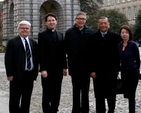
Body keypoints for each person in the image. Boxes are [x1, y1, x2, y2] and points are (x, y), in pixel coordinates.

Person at [87, 16, 120, 113]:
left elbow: (117, 55)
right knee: (99, 95)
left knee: (111, 94)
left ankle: (111, 110)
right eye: (101, 23)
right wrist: (92, 70)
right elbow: (89, 55)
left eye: (105, 23)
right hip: (97, 71)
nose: (103, 25)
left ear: (108, 24)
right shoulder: (92, 38)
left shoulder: (115, 37)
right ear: (98, 25)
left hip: (111, 71)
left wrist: (117, 69)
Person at [4, 20, 38, 113]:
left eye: (27, 28)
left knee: (27, 98)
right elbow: (8, 59)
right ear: (18, 29)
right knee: (15, 98)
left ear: (29, 30)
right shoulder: (12, 42)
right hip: (16, 75)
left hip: (29, 75)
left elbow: (35, 58)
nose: (25, 30)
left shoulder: (33, 42)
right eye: (23, 28)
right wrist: (9, 74)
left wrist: (35, 73)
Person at [64, 12, 94, 113]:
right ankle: (76, 109)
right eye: (79, 18)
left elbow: (92, 50)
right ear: (75, 20)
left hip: (86, 66)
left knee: (85, 90)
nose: (81, 20)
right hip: (74, 65)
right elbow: (66, 49)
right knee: (76, 89)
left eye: (83, 19)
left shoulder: (90, 32)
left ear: (85, 20)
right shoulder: (69, 32)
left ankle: (85, 109)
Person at [38, 13, 67, 113]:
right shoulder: (42, 35)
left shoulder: (60, 34)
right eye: (49, 20)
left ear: (56, 22)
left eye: (53, 20)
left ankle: (55, 109)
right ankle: (46, 110)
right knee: (47, 92)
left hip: (58, 69)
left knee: (57, 91)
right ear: (46, 23)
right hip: (47, 69)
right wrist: (43, 69)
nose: (51, 22)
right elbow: (41, 53)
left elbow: (63, 53)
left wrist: (65, 67)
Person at [118, 25, 140, 113]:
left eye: (126, 33)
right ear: (120, 34)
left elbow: (138, 60)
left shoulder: (133, 44)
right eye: (123, 32)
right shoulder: (119, 46)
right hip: (124, 71)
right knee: (126, 92)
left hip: (133, 71)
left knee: (132, 94)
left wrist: (136, 69)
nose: (124, 34)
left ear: (129, 34)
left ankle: (132, 111)